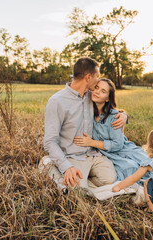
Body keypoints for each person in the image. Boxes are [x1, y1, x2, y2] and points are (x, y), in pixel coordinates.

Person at [43, 57, 127, 189]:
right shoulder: (57, 101)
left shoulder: (91, 95)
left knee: (110, 179)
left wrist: (123, 115)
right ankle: (49, 165)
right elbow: (49, 142)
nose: (99, 80)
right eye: (97, 76)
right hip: (71, 156)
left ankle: (82, 183)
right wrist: (67, 167)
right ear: (88, 77)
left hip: (92, 154)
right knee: (76, 191)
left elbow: (109, 107)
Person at [73, 78, 149, 182]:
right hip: (104, 154)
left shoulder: (114, 117)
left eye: (103, 91)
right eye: (96, 88)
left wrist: (91, 142)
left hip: (121, 151)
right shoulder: (87, 110)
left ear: (108, 98)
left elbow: (118, 144)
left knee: (134, 168)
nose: (97, 92)